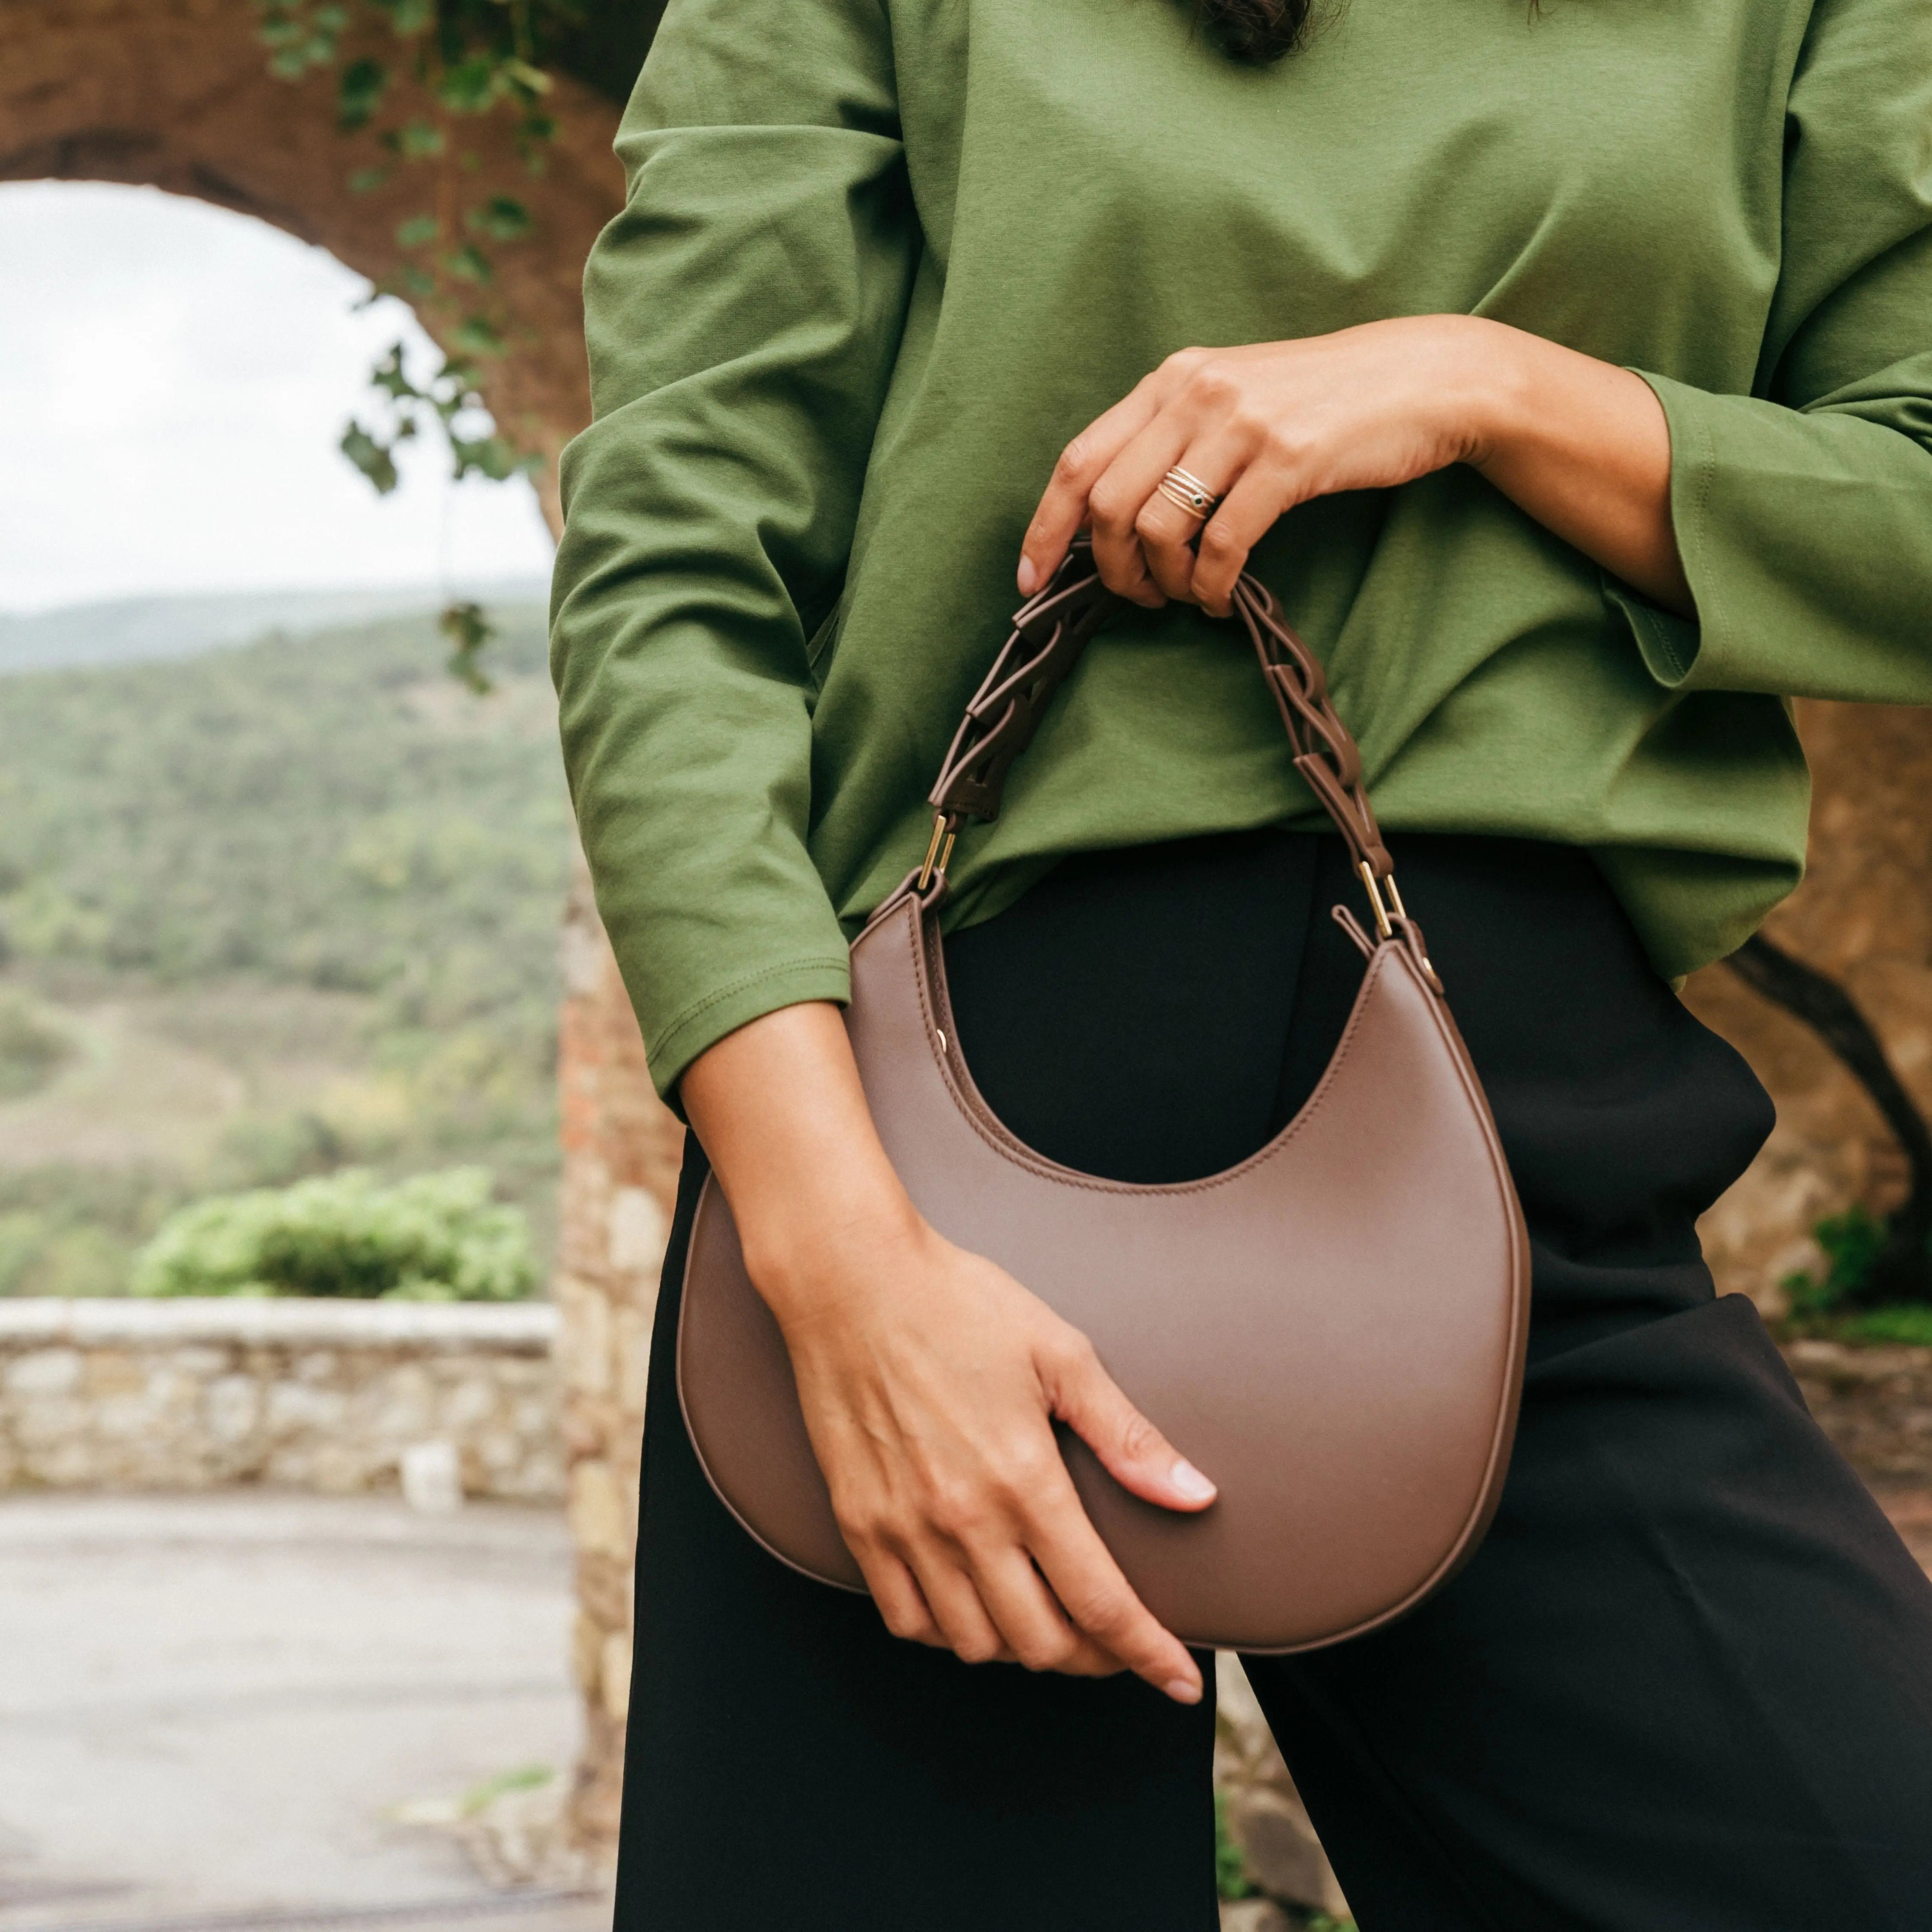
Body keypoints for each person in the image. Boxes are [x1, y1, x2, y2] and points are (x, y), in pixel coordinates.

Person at [548, 0, 1932, 1919]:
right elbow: (674, 584)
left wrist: (1484, 388)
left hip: (1520, 1134)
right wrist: (839, 1264)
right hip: (924, 1150)